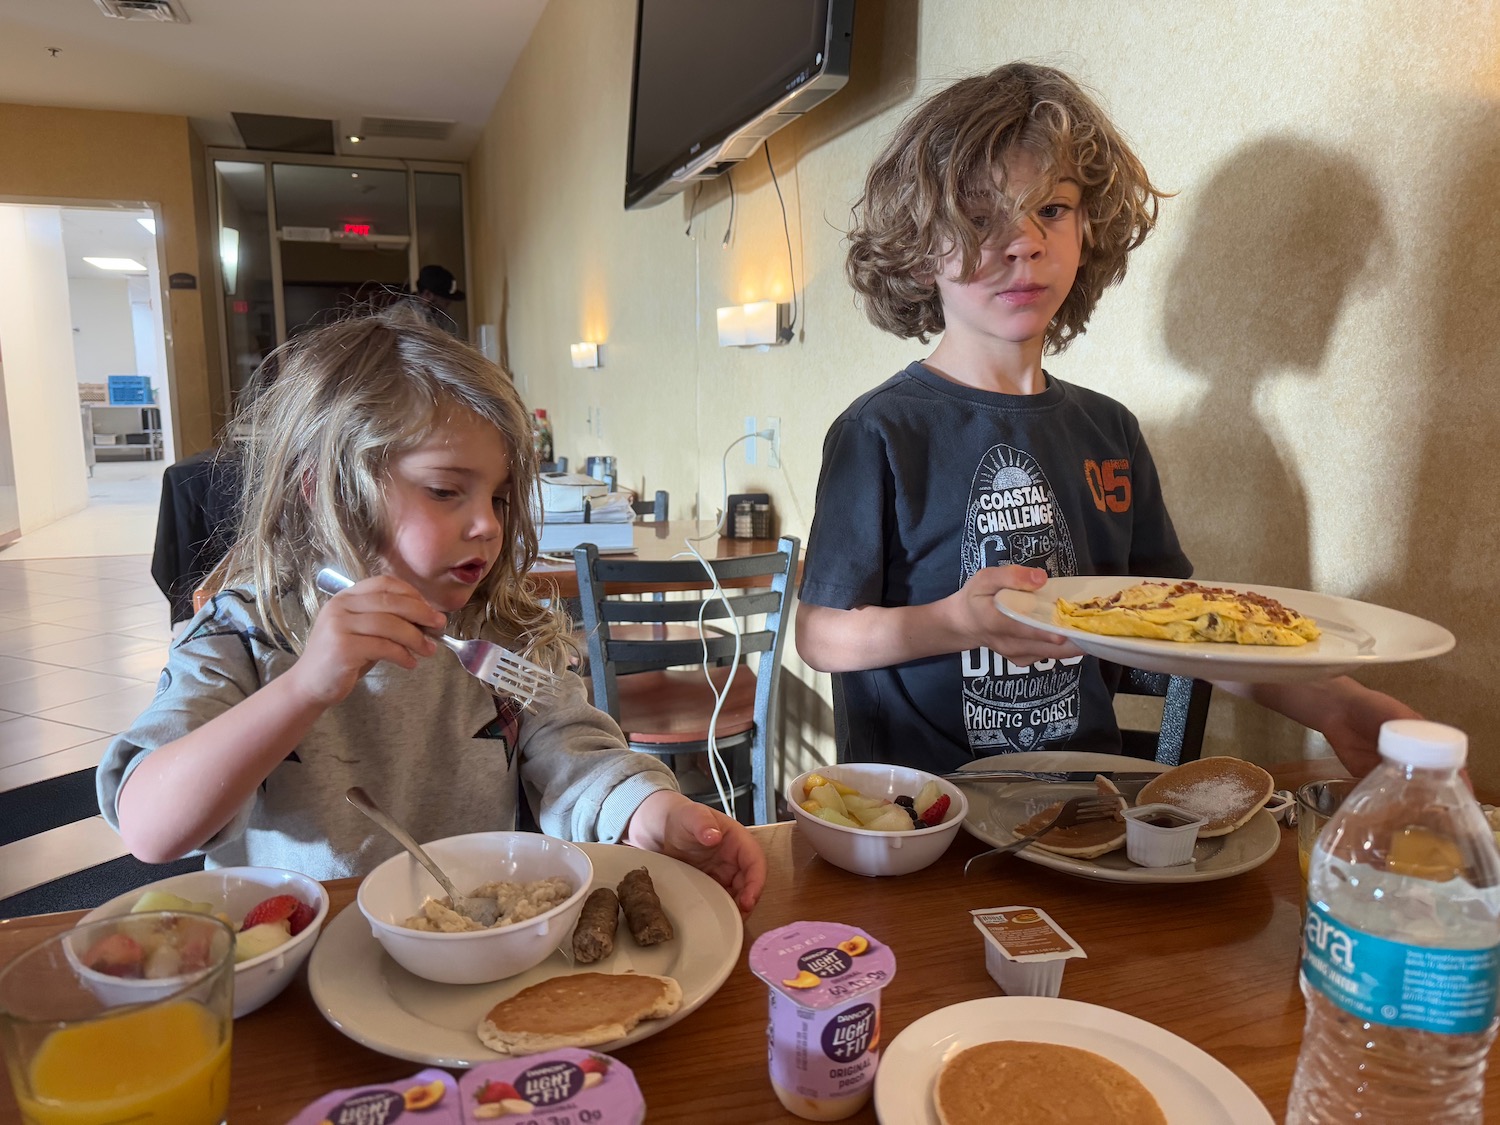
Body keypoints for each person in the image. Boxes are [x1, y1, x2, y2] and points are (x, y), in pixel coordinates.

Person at [794, 62, 1415, 778]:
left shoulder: (1109, 431)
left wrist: (1340, 703)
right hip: (920, 818)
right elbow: (822, 636)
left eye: (1050, 209)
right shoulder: (880, 431)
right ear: (919, 244)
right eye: (979, 215)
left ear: (1087, 226)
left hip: (1083, 815)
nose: (1022, 241)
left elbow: (1180, 630)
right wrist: (952, 621)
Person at [98, 307, 764, 912]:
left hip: (473, 945)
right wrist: (305, 687)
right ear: (321, 489)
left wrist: (650, 809)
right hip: (302, 968)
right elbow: (153, 827)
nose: (487, 525)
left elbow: (573, 751)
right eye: (447, 490)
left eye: (500, 498)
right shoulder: (247, 633)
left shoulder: (500, 634)